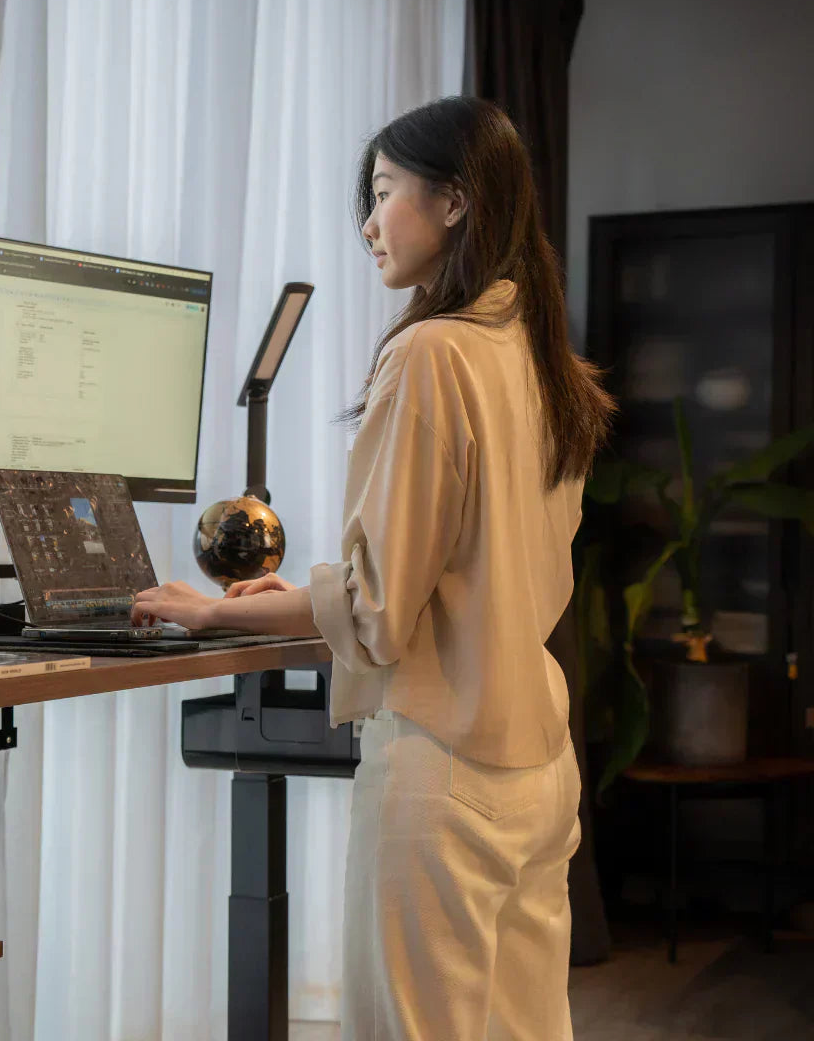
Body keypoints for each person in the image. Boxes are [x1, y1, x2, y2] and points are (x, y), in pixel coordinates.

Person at [131, 95, 615, 1040]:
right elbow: (465, 575)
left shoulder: (434, 353)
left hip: (447, 769)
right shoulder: (546, 360)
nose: (367, 221)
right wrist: (312, 593)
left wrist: (216, 614)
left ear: (457, 203)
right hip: (538, 764)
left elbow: (382, 614)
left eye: (386, 192)